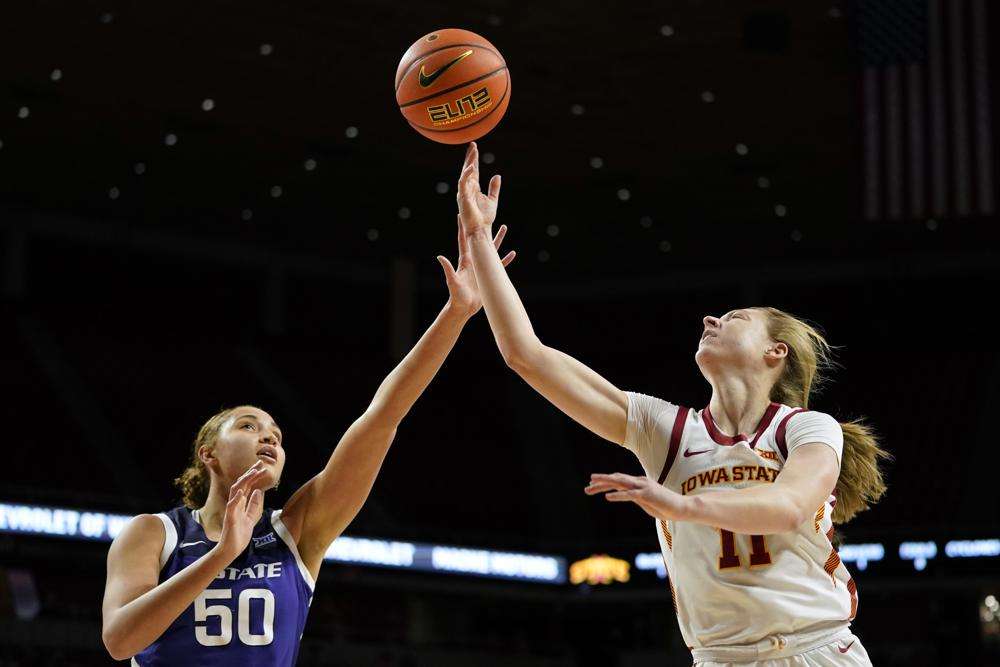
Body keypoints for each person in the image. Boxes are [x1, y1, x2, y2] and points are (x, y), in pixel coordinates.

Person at [455, 142, 889, 666]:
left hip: (814, 650)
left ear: (776, 353)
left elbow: (788, 507)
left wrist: (682, 506)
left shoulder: (807, 429)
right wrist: (479, 238)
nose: (711, 320)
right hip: (718, 658)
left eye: (734, 318)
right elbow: (527, 356)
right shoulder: (666, 429)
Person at [101, 228, 515, 665]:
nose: (269, 436)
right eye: (248, 426)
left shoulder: (296, 529)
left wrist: (455, 313)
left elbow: (382, 416)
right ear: (209, 454)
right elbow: (120, 641)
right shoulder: (154, 533)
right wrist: (222, 555)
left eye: (276, 434)